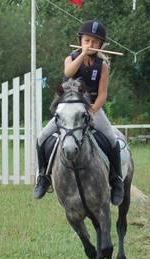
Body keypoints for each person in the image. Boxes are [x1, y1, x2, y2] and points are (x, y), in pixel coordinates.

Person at [33, 20, 125, 206]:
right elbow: (68, 72)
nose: (90, 45)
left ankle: (116, 181)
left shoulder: (102, 66)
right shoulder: (71, 58)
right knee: (42, 137)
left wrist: (92, 111)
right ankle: (43, 177)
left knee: (112, 139)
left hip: (91, 108)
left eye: (94, 42)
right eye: (87, 41)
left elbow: (102, 94)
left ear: (100, 45)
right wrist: (82, 55)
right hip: (70, 108)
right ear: (81, 41)